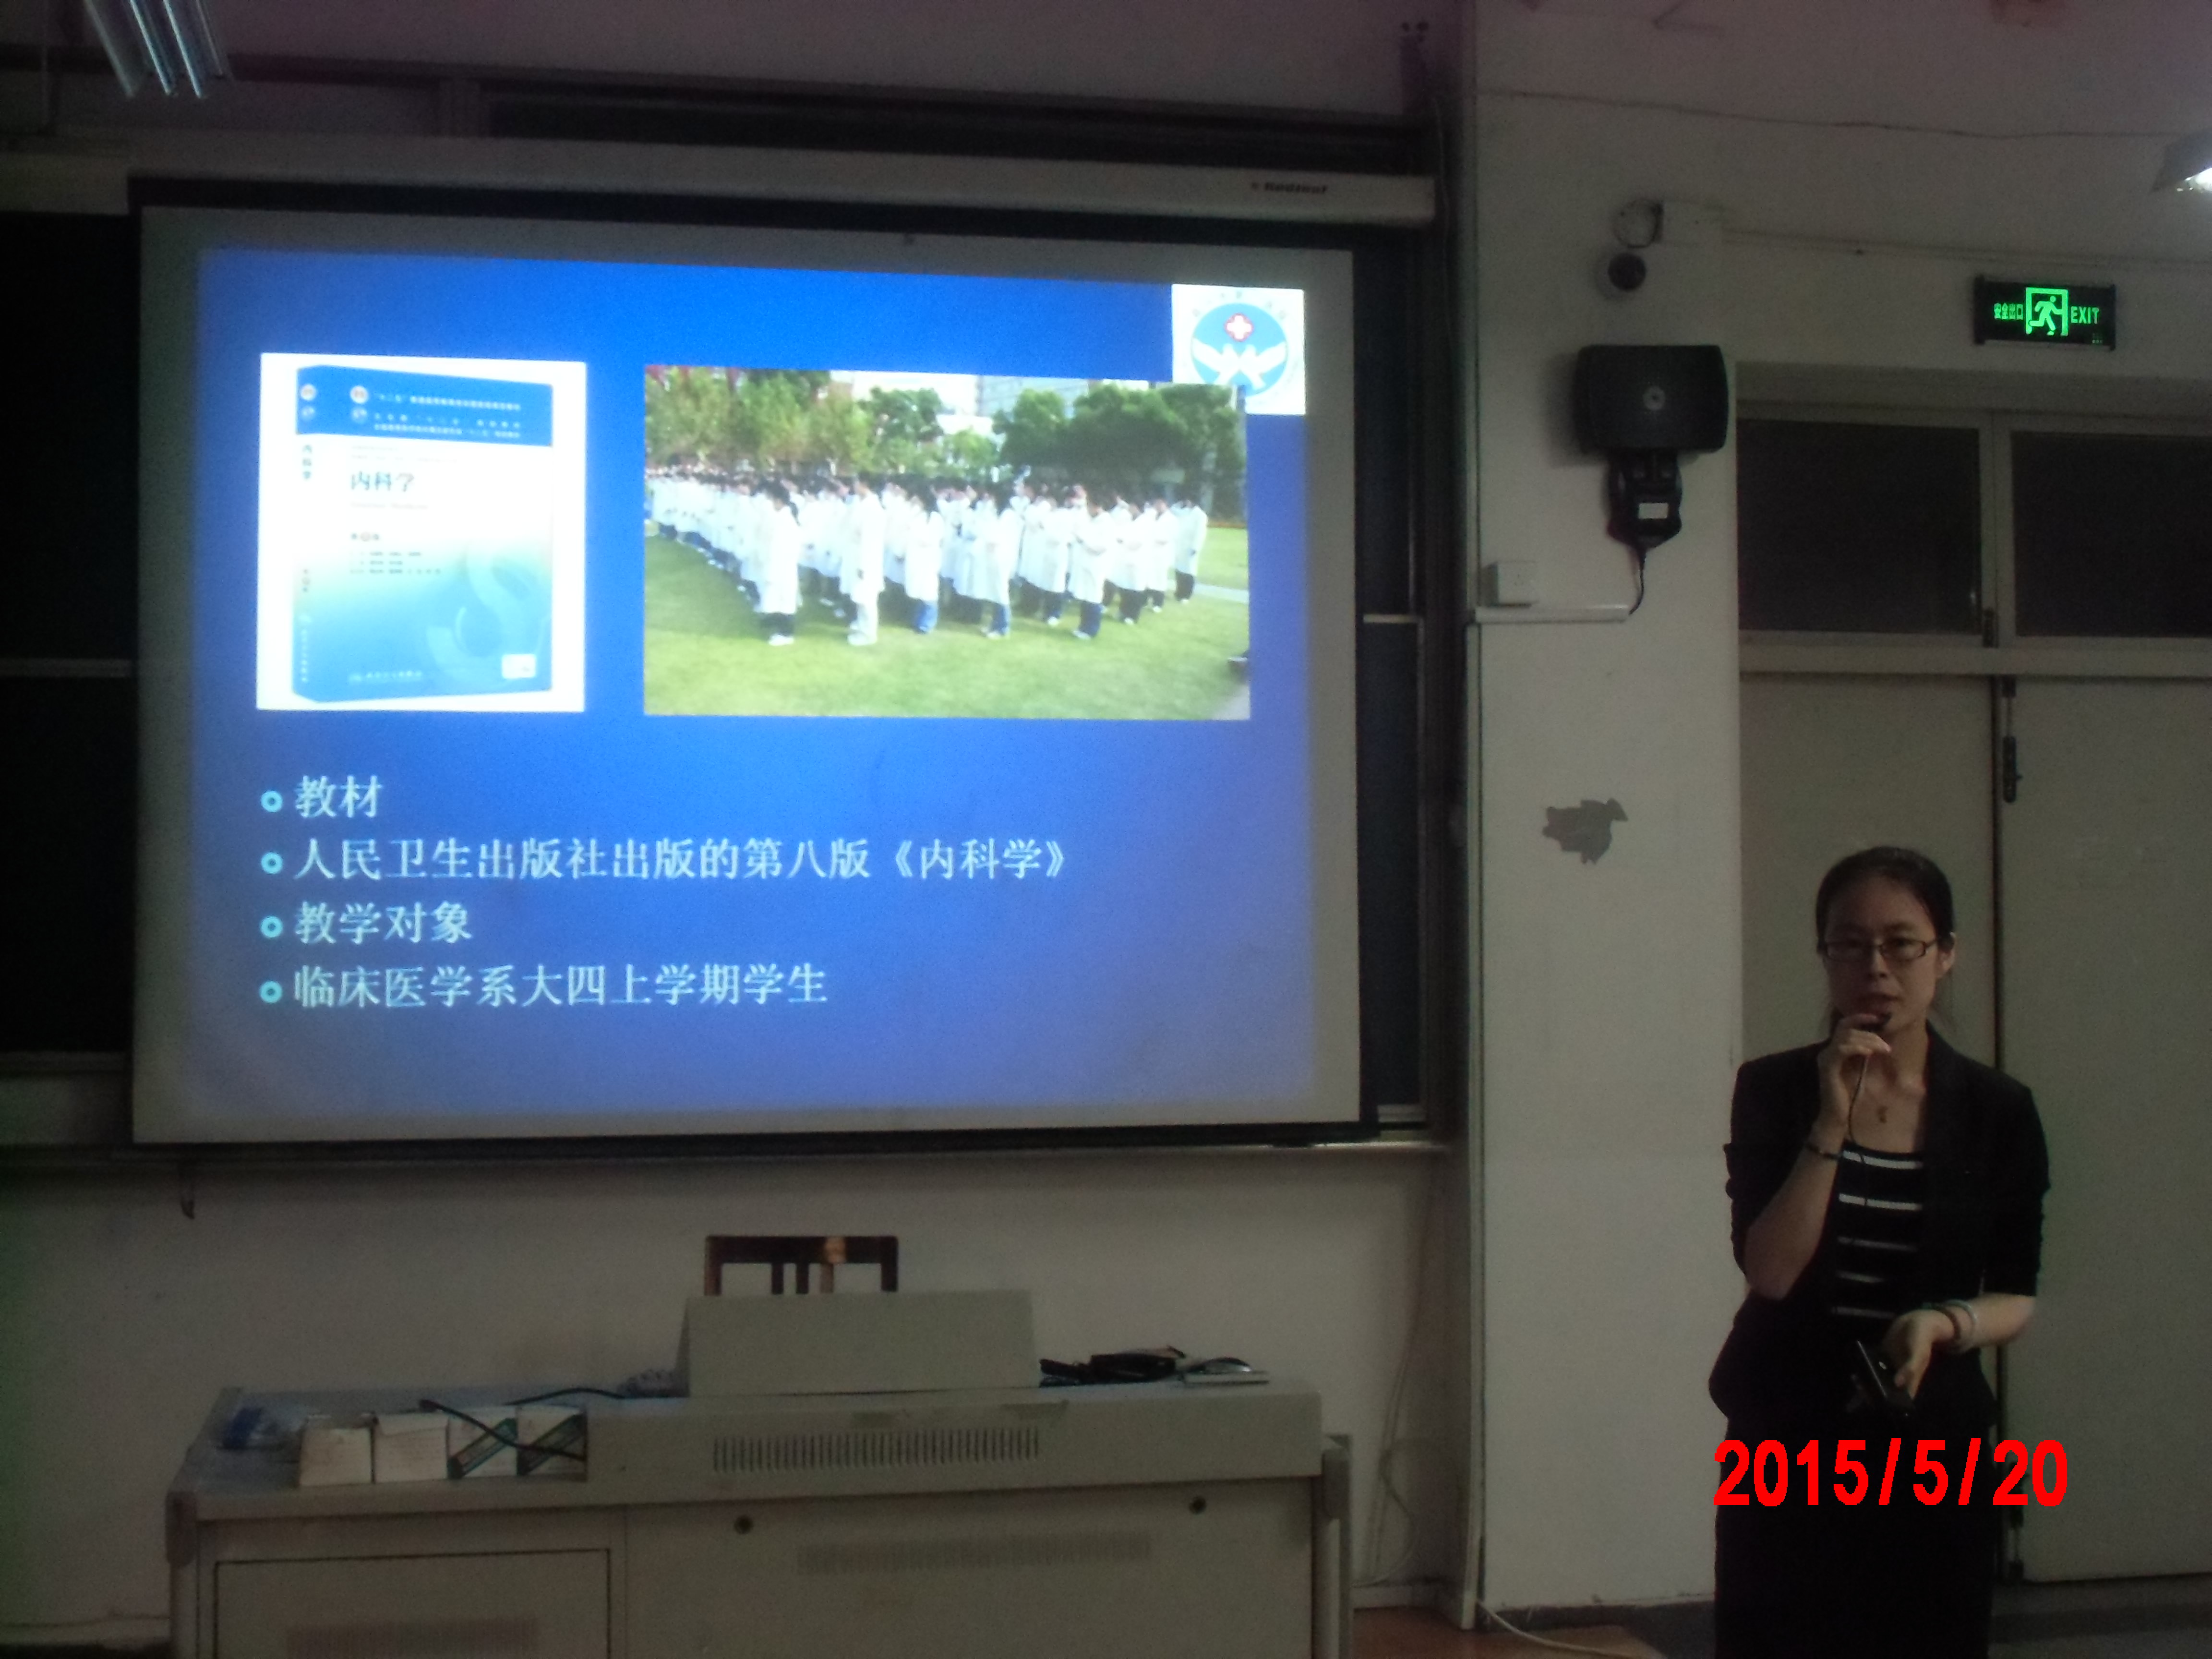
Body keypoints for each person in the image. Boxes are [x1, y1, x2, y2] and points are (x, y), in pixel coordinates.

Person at [1710, 846, 2049, 1659]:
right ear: (1824, 955)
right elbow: (1771, 1272)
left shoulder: (1998, 1110)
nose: (1877, 969)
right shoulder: (1774, 1090)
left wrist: (1943, 1323)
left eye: (1902, 944)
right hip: (1786, 1431)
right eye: (1850, 945)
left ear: (1946, 954)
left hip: (1934, 1438)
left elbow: (2017, 1293)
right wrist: (1831, 1121)